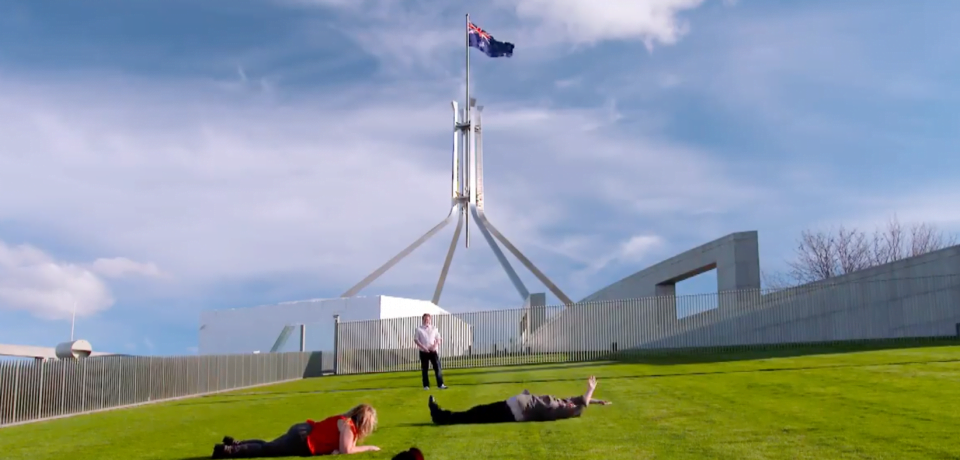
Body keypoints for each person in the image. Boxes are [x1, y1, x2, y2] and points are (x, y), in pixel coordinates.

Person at [211, 404, 380, 458]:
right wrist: (369, 448)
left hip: (303, 430)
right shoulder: (348, 426)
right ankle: (228, 451)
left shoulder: (345, 421)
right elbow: (346, 450)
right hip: (304, 440)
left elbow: (342, 448)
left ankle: (235, 444)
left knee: (267, 445)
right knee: (266, 450)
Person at [428, 376, 611, 425]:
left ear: (573, 411)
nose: (573, 402)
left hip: (513, 412)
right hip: (512, 405)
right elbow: (583, 400)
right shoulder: (564, 403)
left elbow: (583, 403)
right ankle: (442, 416)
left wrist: (590, 390)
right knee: (476, 412)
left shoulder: (562, 411)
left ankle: (440, 416)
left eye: (574, 406)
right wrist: (599, 401)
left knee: (475, 415)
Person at [414, 313, 447, 390]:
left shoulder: (434, 328)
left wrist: (435, 346)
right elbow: (416, 340)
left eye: (428, 319)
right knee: (425, 369)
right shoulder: (419, 329)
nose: (427, 321)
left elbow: (439, 338)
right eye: (425, 319)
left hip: (433, 351)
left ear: (430, 320)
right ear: (423, 320)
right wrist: (423, 347)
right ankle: (426, 385)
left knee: (437, 367)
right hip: (423, 351)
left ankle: (440, 384)